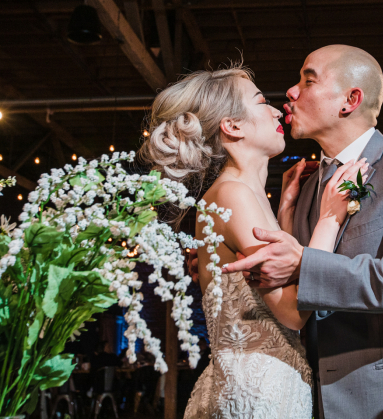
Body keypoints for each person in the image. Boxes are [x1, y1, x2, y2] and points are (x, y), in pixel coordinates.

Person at [224, 45, 383, 418]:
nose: (291, 92)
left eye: (307, 80)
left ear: (350, 100)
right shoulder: (307, 187)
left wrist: (304, 264)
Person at [139, 64, 367, 418]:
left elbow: (278, 275)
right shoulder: (233, 194)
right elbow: (292, 312)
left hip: (267, 383)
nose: (277, 110)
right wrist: (330, 215)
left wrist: (286, 212)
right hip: (257, 392)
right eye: (261, 101)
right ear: (233, 126)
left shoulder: (245, 193)